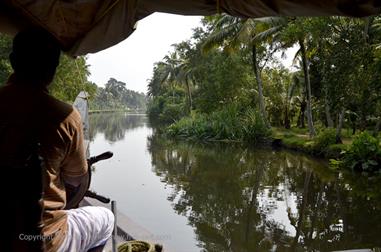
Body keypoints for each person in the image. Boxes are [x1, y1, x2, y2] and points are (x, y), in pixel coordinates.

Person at [0, 28, 114, 252]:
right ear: (53, 69)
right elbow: (75, 180)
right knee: (106, 218)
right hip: (43, 241)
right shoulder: (64, 116)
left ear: (13, 61)